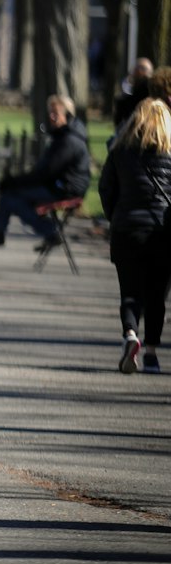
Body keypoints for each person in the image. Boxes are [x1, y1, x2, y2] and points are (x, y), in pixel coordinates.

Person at [98, 98, 171, 375]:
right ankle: (151, 353)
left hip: (127, 229)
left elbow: (106, 189)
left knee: (129, 292)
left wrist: (115, 217)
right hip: (162, 231)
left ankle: (130, 334)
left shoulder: (120, 152)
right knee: (156, 295)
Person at [0, 94, 91, 248]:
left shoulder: (69, 141)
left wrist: (16, 182)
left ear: (67, 115)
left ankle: (50, 231)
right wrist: (17, 182)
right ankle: (1, 232)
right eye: (51, 113)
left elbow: (46, 173)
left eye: (56, 114)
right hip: (58, 185)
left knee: (11, 198)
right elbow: (44, 171)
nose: (52, 117)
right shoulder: (62, 136)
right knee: (11, 196)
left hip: (66, 189)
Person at [113, 57, 154, 129]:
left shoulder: (141, 92)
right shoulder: (155, 92)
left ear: (140, 71)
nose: (132, 74)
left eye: (134, 70)